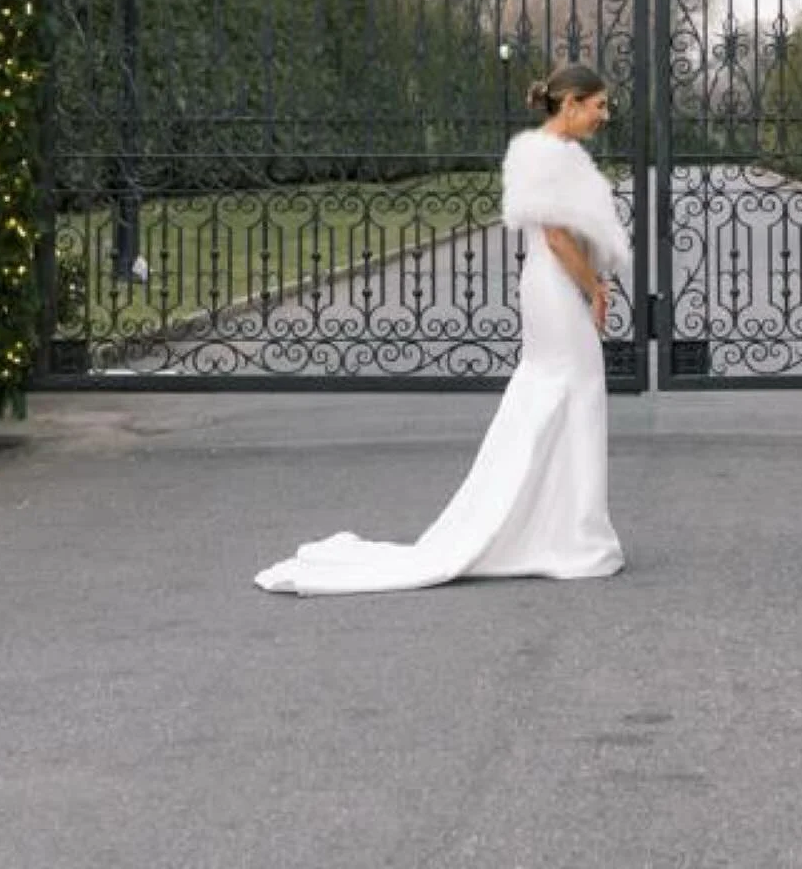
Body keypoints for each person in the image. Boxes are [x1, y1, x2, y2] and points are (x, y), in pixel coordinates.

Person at [255, 64, 628, 595]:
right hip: (557, 287)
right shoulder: (548, 156)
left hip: (547, 287)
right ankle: (571, 531)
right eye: (598, 105)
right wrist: (595, 288)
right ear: (570, 105)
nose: (604, 115)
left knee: (550, 397)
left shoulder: (542, 152)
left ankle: (556, 525)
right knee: (574, 394)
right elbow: (558, 237)